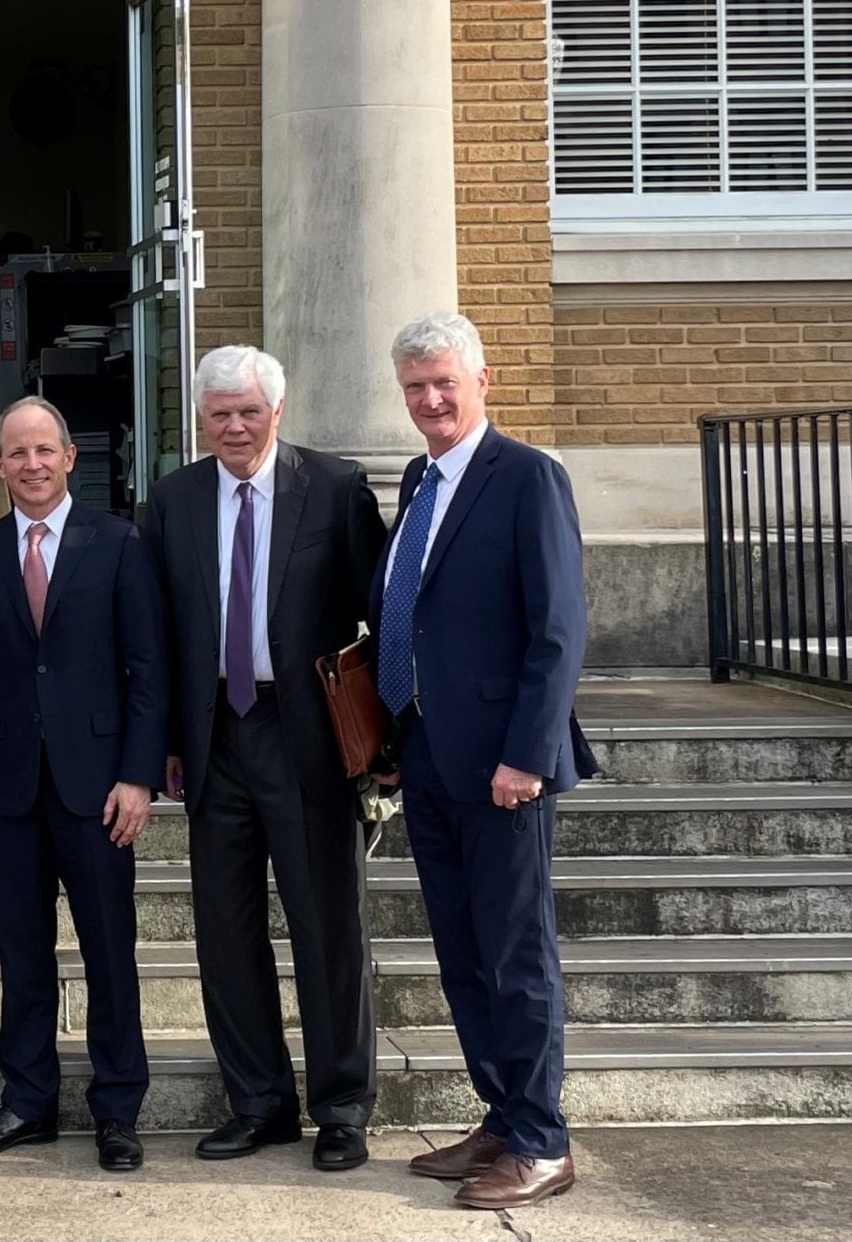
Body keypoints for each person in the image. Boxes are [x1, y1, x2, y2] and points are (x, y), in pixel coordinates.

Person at [141, 345, 387, 1172]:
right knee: (227, 929)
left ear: (277, 412)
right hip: (215, 735)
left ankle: (343, 1105)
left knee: (327, 925)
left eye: (249, 410)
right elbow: (160, 634)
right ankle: (259, 1102)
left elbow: (379, 616)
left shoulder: (337, 486)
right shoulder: (172, 500)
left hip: (306, 730)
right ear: (201, 419)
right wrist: (169, 740)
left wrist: (383, 740)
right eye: (220, 413)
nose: (235, 426)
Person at [374, 313, 595, 1214]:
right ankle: (501, 1116)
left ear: (481, 379)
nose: (431, 400)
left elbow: (558, 630)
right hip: (427, 755)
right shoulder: (417, 478)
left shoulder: (528, 477)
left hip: (505, 768)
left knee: (516, 954)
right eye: (416, 387)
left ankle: (543, 1140)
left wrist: (526, 755)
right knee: (462, 953)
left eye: (444, 383)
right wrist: (390, 743)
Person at [0, 397, 164, 1173]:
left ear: (71, 456)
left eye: (45, 450)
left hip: (99, 788)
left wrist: (139, 774)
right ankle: (28, 1100)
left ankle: (116, 1110)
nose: (32, 464)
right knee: (22, 950)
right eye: (16, 453)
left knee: (110, 951)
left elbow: (148, 672)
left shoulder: (119, 542)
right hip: (7, 791)